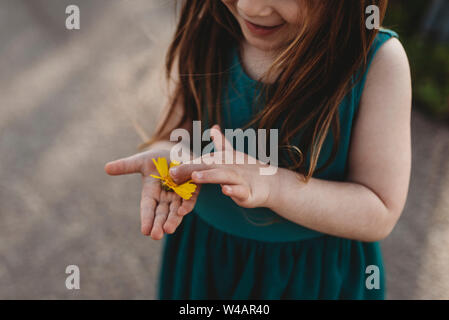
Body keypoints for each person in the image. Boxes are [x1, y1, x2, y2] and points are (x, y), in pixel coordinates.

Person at [105, 0, 412, 299]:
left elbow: (379, 210)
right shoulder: (209, 30)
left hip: (311, 277)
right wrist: (170, 162)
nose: (250, 7)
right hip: (208, 262)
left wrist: (270, 184)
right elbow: (176, 135)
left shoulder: (377, 62)